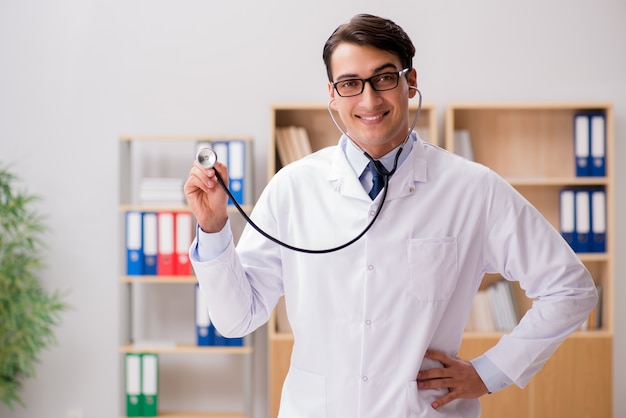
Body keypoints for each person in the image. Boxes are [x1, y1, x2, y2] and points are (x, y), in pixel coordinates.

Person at [184, 13, 598, 418]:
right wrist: (214, 228)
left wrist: (490, 373)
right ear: (332, 94)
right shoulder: (292, 188)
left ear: (410, 82)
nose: (369, 100)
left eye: (384, 78)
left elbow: (571, 289)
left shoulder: (473, 188)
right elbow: (236, 319)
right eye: (350, 84)